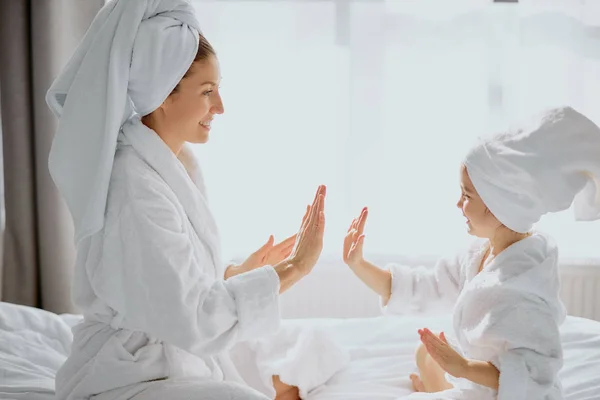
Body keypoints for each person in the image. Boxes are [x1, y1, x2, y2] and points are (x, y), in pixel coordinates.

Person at [46, 1, 328, 399]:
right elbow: (192, 314)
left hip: (172, 358)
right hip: (127, 377)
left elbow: (169, 283)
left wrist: (236, 275)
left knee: (310, 346)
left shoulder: (171, 164)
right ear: (164, 94)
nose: (220, 107)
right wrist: (296, 268)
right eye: (207, 91)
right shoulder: (133, 187)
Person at [342, 106, 600, 399]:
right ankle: (436, 383)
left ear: (500, 205)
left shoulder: (525, 291)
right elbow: (421, 287)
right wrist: (358, 264)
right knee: (424, 354)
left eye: (466, 196)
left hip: (509, 393)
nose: (457, 205)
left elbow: (531, 377)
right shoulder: (478, 256)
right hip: (476, 378)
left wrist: (463, 367)